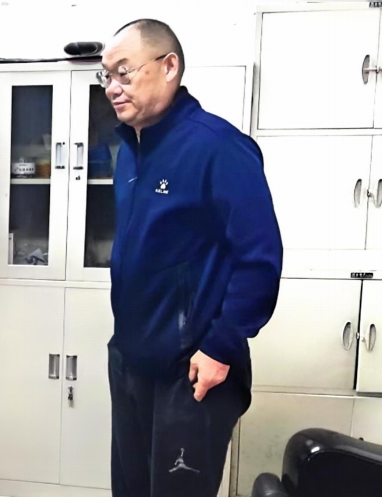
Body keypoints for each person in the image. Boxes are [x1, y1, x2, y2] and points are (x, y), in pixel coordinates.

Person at [101, 19, 283, 497]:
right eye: (107, 76)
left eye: (124, 72)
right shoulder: (130, 151)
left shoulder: (218, 147)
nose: (113, 87)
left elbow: (260, 259)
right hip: (132, 360)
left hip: (191, 371)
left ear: (169, 67)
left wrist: (221, 347)